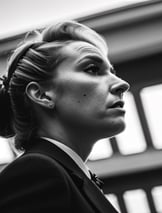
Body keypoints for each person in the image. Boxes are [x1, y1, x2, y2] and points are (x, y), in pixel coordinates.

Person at [0, 20, 130, 213]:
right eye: (92, 69)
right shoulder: (38, 172)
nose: (122, 84)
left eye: (112, 72)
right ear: (42, 95)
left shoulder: (64, 176)